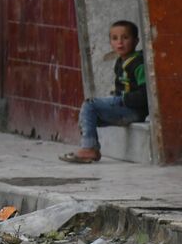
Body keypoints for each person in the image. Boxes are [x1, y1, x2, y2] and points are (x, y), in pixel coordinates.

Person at [61, 20, 148, 163]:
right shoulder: (120, 61)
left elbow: (146, 95)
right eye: (115, 39)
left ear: (136, 41)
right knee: (86, 115)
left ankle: (89, 148)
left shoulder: (138, 65)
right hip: (124, 107)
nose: (120, 42)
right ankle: (91, 148)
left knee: (90, 105)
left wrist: (122, 99)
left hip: (133, 110)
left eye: (125, 38)